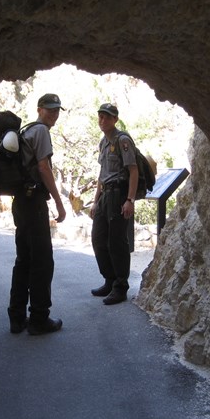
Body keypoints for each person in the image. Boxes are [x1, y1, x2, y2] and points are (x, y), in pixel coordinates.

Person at [8, 93, 67, 335]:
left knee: (24, 260)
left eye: (57, 110)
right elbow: (44, 167)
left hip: (21, 202)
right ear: (39, 109)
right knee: (42, 261)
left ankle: (17, 317)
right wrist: (59, 203)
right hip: (33, 204)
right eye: (50, 109)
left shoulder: (25, 131)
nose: (54, 114)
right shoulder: (41, 131)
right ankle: (39, 318)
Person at [89, 103, 139, 305]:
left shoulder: (123, 140)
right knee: (98, 238)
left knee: (117, 242)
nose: (103, 121)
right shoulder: (103, 142)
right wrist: (95, 201)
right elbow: (102, 174)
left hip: (119, 194)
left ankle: (120, 287)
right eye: (100, 117)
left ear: (115, 119)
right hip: (104, 196)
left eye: (107, 117)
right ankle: (109, 280)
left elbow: (133, 171)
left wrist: (130, 200)